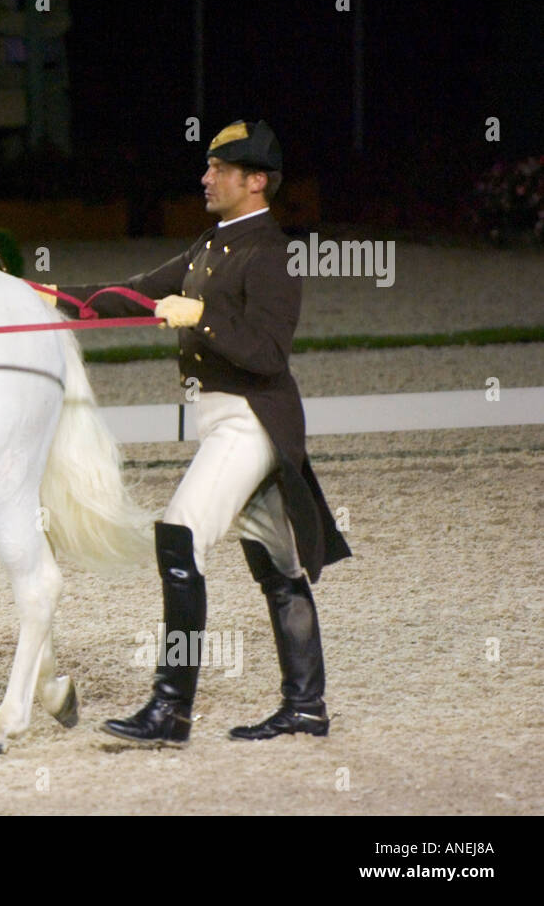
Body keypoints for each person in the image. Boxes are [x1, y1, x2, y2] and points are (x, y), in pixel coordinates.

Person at [54, 120, 351, 745]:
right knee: (279, 566)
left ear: (256, 182)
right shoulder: (211, 245)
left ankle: (171, 708)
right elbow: (134, 294)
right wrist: (51, 297)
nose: (205, 177)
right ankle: (306, 706)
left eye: (219, 170)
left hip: (251, 421)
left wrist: (203, 318)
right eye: (209, 167)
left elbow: (268, 354)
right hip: (228, 419)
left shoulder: (271, 253)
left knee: (180, 535)